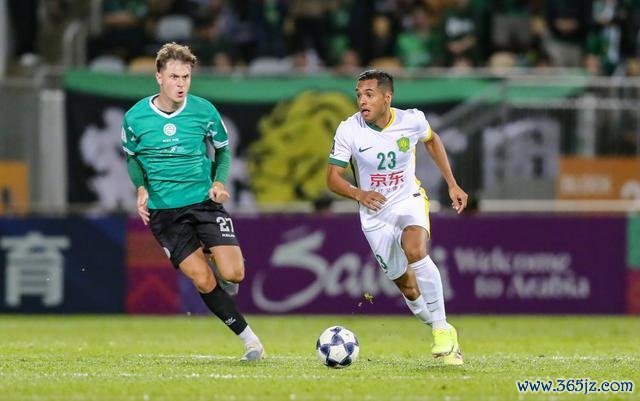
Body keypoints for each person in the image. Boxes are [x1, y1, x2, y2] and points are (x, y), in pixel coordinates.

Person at [121, 42, 264, 361]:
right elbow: (132, 158)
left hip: (203, 203)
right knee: (202, 279)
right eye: (174, 77)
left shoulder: (204, 111)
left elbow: (223, 150)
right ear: (159, 77)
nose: (181, 83)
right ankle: (251, 341)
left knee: (234, 274)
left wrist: (219, 182)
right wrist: (140, 188)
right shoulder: (135, 117)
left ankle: (213, 252)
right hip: (164, 213)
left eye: (186, 77)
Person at [326, 70, 468, 366]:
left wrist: (452, 184)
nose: (362, 101)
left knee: (415, 249)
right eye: (359, 95)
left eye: (369, 95)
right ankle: (443, 329)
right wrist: (359, 194)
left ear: (386, 97)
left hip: (408, 200)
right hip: (374, 214)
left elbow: (432, 140)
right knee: (408, 288)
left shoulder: (411, 120)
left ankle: (441, 329)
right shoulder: (349, 129)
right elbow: (332, 178)